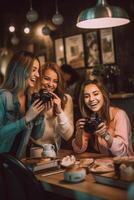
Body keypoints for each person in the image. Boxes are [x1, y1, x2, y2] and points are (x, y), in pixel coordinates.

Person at [0, 51, 45, 158]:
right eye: (34, 70)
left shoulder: (29, 99)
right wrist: (25, 119)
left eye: (38, 71)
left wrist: (40, 114)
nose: (38, 75)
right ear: (20, 70)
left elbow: (37, 135)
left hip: (17, 162)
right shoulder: (3, 96)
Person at [72, 79, 134, 156]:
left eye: (95, 94)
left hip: (125, 165)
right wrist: (78, 132)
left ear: (103, 95)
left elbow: (122, 152)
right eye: (86, 96)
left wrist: (105, 135)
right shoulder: (91, 118)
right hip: (105, 164)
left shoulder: (119, 115)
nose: (91, 99)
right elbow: (78, 149)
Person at [32, 62, 74, 151]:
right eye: (46, 79)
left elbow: (68, 136)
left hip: (54, 153)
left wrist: (59, 112)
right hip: (33, 152)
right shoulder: (32, 98)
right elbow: (33, 135)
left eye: (55, 81)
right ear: (39, 78)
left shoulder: (65, 100)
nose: (51, 84)